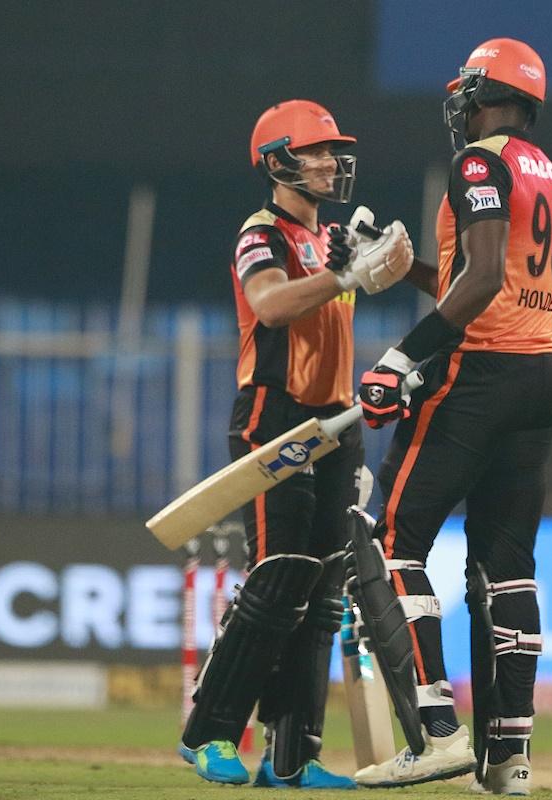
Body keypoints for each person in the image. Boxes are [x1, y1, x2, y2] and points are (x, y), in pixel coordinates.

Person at [353, 38, 552, 795]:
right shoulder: (551, 175)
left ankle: (436, 729)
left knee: (386, 539)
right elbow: (487, 278)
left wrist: (399, 359)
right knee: (505, 568)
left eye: (468, 90)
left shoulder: (481, 162)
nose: (461, 104)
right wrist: (405, 266)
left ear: (486, 92)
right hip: (542, 375)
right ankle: (508, 759)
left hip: (481, 373)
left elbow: (479, 284)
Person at [178, 99, 413, 788]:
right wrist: (345, 277)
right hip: (273, 415)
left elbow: (335, 301)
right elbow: (271, 305)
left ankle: (292, 757)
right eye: (315, 151)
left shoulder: (331, 236)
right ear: (278, 159)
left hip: (334, 422)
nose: (331, 162)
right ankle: (210, 733)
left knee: (321, 595)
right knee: (279, 573)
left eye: (334, 150)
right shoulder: (262, 231)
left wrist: (376, 266)